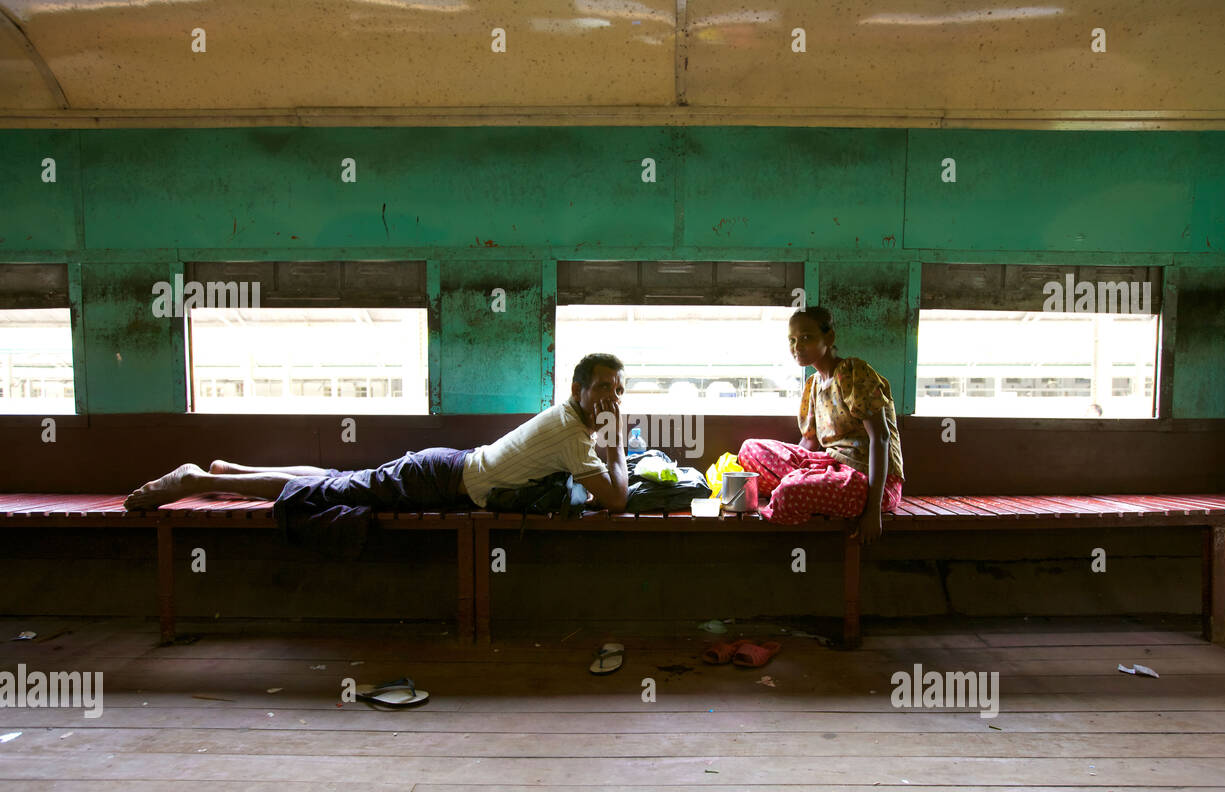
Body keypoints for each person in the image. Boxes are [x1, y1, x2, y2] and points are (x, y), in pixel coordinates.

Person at [124, 354, 630, 555]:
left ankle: (231, 472)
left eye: (620, 391)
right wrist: (617, 443)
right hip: (437, 480)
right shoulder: (574, 432)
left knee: (337, 477)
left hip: (446, 471)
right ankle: (192, 480)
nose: (613, 397)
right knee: (327, 489)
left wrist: (607, 438)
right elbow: (617, 502)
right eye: (604, 388)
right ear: (578, 389)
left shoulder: (573, 425)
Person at [739, 307, 905, 544]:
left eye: (806, 338)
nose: (797, 347)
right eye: (792, 340)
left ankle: (801, 487)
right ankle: (807, 484)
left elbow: (881, 437)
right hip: (829, 465)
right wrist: (799, 471)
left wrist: (872, 512)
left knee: (789, 493)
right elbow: (808, 443)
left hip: (867, 479)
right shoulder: (814, 384)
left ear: (829, 338)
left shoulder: (853, 372)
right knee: (750, 449)